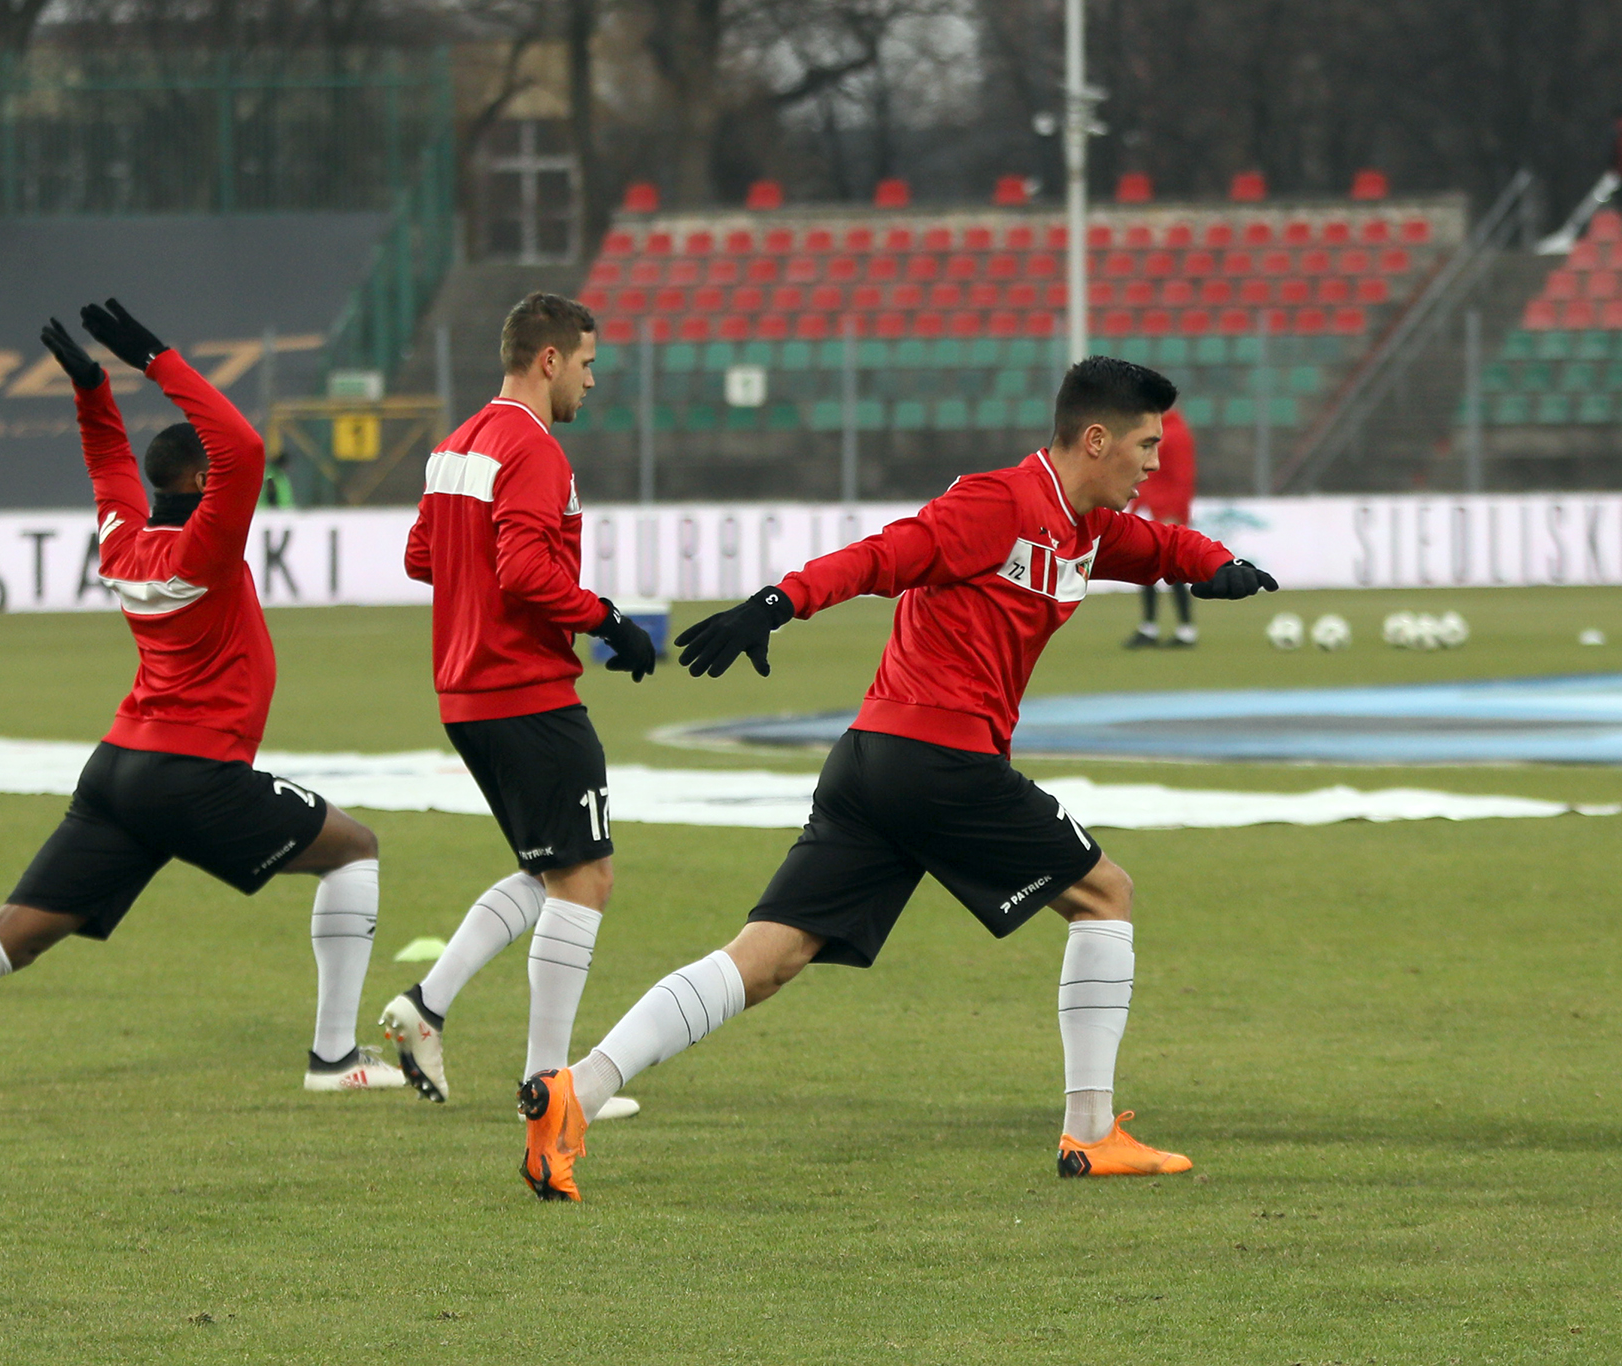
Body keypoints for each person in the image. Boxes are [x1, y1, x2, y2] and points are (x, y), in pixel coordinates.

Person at [518, 357, 1279, 1201]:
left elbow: (1164, 548)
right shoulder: (999, 503)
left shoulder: (1087, 527)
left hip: (874, 763)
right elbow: (885, 555)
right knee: (1105, 895)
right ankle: (1092, 1133)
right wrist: (777, 603)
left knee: (768, 956)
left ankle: (576, 1093)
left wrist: (1217, 565)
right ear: (1095, 440)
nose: (1156, 464)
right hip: (941, 763)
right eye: (1146, 445)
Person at [0, 298, 404, 1106]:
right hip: (196, 773)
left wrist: (91, 393)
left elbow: (108, 462)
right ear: (202, 482)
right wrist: (152, 357)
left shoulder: (122, 542)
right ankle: (333, 1057)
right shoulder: (206, 549)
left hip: (120, 770)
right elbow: (244, 447)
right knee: (353, 849)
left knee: (18, 931)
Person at [376, 293, 656, 1121]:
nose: (591, 381)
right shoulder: (533, 449)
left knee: (549, 870)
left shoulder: (455, 445)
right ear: (549, 359)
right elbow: (526, 570)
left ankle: (427, 1006)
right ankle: (548, 1087)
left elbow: (421, 556)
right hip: (525, 690)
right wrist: (609, 621)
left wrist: (478, 590)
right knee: (586, 879)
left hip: (466, 694)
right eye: (587, 363)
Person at [1124, 406, 1198, 648]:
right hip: (1152, 509)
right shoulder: (1158, 431)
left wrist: (1176, 514)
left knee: (1171, 568)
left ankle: (1185, 630)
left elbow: (1182, 477)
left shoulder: (1175, 434)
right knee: (1146, 566)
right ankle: (1151, 627)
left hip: (1165, 512)